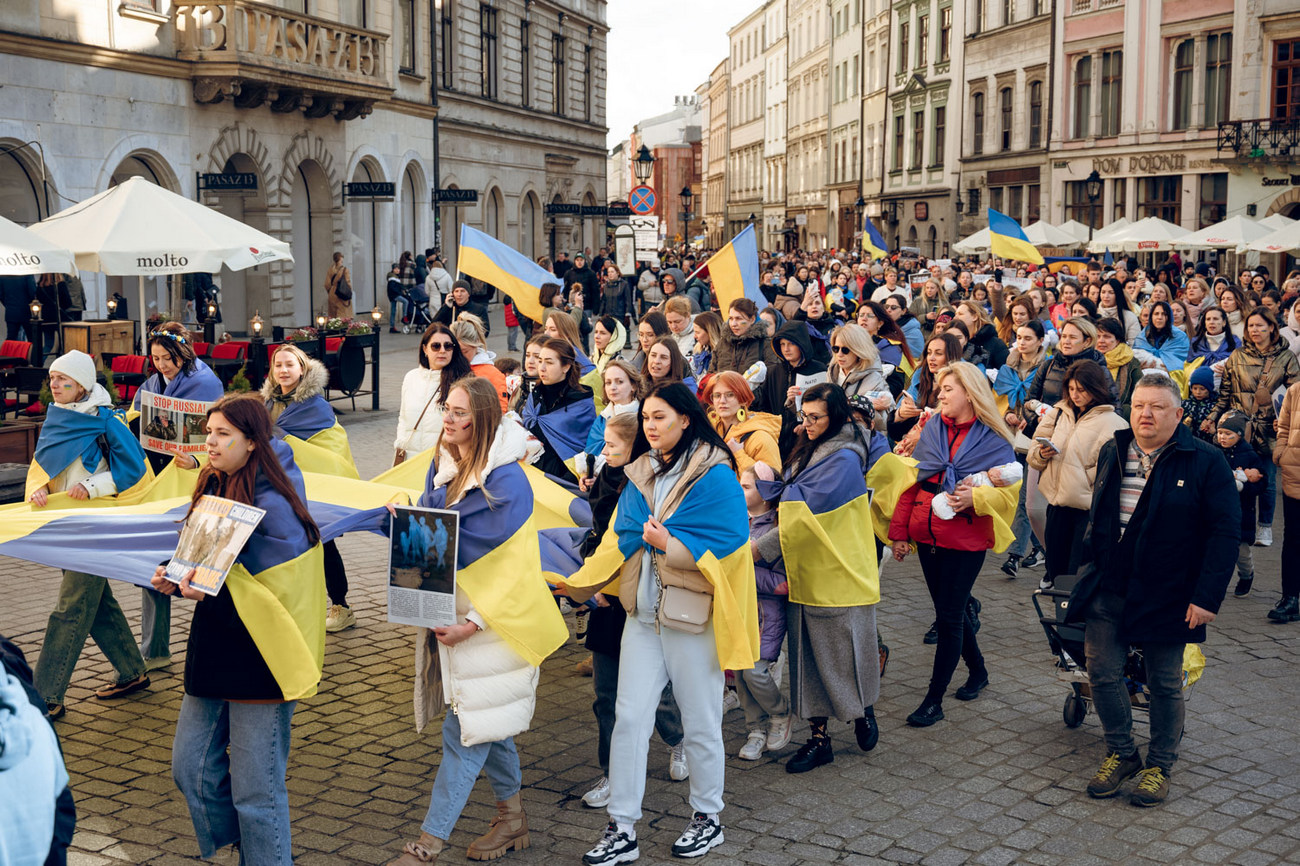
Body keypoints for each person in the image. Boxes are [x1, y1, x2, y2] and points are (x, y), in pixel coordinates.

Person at [561, 383, 757, 865]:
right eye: (646, 417)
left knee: (701, 721)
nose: (650, 426)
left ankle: (708, 818)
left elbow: (732, 543)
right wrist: (580, 584)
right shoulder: (641, 469)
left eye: (660, 417)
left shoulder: (715, 473)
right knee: (628, 720)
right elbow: (618, 538)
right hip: (642, 615)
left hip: (692, 617)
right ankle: (621, 827)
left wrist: (669, 543)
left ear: (685, 419)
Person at [387, 378, 567, 866]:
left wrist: (474, 622)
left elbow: (516, 570)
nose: (449, 417)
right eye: (448, 408)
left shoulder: (507, 481)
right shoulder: (441, 465)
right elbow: (436, 533)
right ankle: (512, 820)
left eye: (461, 412)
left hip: (493, 625)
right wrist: (403, 516)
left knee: (466, 730)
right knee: (490, 725)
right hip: (454, 617)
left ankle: (428, 844)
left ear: (483, 419)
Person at [149, 395, 323, 865]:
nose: (210, 441)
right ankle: (248, 847)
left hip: (263, 656)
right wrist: (174, 571)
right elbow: (205, 560)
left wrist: (208, 586)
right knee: (191, 768)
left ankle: (264, 856)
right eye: (209, 432)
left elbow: (273, 584)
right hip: (215, 646)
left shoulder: (279, 502)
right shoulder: (213, 481)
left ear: (252, 441)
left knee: (256, 790)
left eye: (223, 434)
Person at [1067, 375, 1238, 807]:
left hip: (1171, 592)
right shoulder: (1115, 449)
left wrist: (1206, 597)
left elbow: (1224, 533)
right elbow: (1099, 516)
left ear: (1178, 414)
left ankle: (1160, 765)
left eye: (1158, 407)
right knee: (1102, 674)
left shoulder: (1204, 460)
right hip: (1109, 584)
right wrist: (1087, 568)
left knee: (1163, 683)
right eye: (1140, 405)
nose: (1146, 414)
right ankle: (1123, 753)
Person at [755, 383, 881, 771]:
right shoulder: (813, 444)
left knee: (846, 651)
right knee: (806, 659)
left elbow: (807, 519)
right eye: (803, 416)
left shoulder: (842, 458)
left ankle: (863, 710)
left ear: (837, 417)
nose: (806, 424)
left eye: (815, 418)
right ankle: (819, 738)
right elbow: (794, 495)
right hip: (806, 570)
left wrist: (756, 551)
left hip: (838, 571)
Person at [889, 362, 1019, 727]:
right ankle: (978, 672)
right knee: (953, 611)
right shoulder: (930, 429)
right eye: (940, 389)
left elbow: (1009, 494)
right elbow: (911, 481)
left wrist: (975, 500)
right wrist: (899, 533)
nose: (940, 394)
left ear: (970, 392)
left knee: (948, 617)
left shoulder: (994, 438)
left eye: (948, 389)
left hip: (965, 538)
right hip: (927, 531)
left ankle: (934, 699)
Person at [29, 351, 152, 720]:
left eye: (63, 379)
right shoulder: (57, 418)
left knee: (71, 608)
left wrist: (93, 485)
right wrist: (41, 489)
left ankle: (45, 696)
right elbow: (46, 468)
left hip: (96, 525)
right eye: (52, 378)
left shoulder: (106, 419)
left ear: (81, 384)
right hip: (65, 523)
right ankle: (132, 671)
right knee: (96, 602)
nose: (54, 385)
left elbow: (134, 471)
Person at [576, 410, 689, 810]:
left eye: (612, 445)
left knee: (655, 694)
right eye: (603, 443)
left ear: (635, 448)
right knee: (606, 694)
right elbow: (596, 536)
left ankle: (678, 741)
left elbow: (651, 544)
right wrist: (594, 583)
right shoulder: (605, 478)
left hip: (642, 595)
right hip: (607, 601)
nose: (602, 451)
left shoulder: (655, 485)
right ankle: (613, 773)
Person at [132, 322, 226, 671]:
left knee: (206, 561)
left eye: (167, 358)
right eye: (155, 359)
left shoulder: (206, 383)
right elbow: (136, 416)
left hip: (196, 481)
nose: (161, 366)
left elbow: (220, 434)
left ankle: (219, 642)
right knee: (155, 560)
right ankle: (155, 649)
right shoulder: (153, 382)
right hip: (160, 478)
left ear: (183, 353)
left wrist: (198, 458)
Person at [262, 343, 359, 633]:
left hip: (309, 486)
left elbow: (330, 448)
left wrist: (278, 438)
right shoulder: (268, 402)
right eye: (278, 365)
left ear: (302, 369)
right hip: (278, 486)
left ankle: (341, 605)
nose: (283, 370)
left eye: (289, 365)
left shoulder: (315, 406)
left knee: (324, 543)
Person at [1027, 361, 1129, 591]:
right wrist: (1043, 454)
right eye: (1071, 389)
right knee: (1057, 570)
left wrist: (1086, 476)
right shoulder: (1058, 413)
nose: (1075, 395)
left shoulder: (1115, 423)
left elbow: (1113, 470)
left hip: (1086, 512)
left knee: (1077, 574)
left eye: (1081, 390)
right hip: (1056, 506)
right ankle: (1062, 617)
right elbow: (1033, 456)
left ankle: (1074, 622)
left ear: (1096, 388)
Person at [1205, 308, 1300, 547]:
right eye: (1251, 326)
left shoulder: (1286, 357)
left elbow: (1294, 395)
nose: (1255, 330)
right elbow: (1225, 395)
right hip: (1240, 430)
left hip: (1270, 428)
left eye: (1260, 326)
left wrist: (1286, 418)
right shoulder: (1236, 356)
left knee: (1266, 479)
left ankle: (1265, 526)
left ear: (1271, 328)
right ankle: (1236, 523)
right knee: (1236, 477)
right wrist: (1214, 418)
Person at [733, 462, 793, 762]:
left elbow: (784, 583)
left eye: (746, 486)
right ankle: (755, 729)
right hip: (738, 610)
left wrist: (741, 570)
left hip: (766, 614)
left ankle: (780, 713)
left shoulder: (776, 529)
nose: (738, 490)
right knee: (740, 674)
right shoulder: (736, 520)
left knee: (755, 671)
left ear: (766, 493)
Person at [395, 324, 474, 466]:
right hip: (409, 462)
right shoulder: (411, 377)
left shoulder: (462, 381)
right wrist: (400, 442)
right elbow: (403, 418)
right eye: (436, 346)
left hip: (442, 464)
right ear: (425, 349)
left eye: (448, 346)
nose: (442, 351)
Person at [520, 338, 597, 479]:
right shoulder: (535, 395)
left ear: (566, 367)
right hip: (531, 474)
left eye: (549, 362)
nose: (541, 368)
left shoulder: (581, 401)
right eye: (540, 360)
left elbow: (587, 446)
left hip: (566, 478)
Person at [753, 320, 830, 454]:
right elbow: (764, 405)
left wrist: (805, 424)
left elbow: (825, 406)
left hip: (806, 437)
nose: (786, 349)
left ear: (802, 344)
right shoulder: (773, 372)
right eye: (782, 344)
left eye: (791, 344)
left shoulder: (819, 370)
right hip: (777, 437)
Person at [1212, 412, 1266, 599]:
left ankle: (1246, 574)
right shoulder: (1214, 452)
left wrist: (1244, 487)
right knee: (1215, 550)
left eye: (1228, 434)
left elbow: (1262, 482)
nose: (1223, 438)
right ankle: (1212, 583)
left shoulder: (1250, 455)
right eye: (1220, 433)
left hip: (1242, 512)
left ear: (1240, 435)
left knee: (1241, 552)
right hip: (1218, 511)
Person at [706, 371, 782, 475]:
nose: (722, 401)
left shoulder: (761, 438)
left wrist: (738, 454)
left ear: (744, 399)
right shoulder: (710, 431)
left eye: (730, 395)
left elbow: (771, 484)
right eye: (717, 395)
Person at [582, 359, 643, 482]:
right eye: (608, 383)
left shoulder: (642, 418)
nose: (613, 387)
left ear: (633, 386)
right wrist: (585, 476)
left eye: (619, 382)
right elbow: (590, 454)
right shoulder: (601, 419)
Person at [827, 324, 893, 431]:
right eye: (835, 348)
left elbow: (884, 423)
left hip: (859, 439)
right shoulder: (832, 371)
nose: (839, 354)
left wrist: (867, 407)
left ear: (858, 350)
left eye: (845, 350)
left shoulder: (874, 379)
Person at [1272, 379, 1300, 622]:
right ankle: (1290, 598)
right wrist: (1281, 451)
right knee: (1293, 538)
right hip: (1295, 473)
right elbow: (1283, 427)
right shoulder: (1295, 390)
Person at [451, 315, 510, 412]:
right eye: (455, 352)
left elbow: (500, 412)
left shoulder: (492, 374)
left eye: (465, 351)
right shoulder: (445, 366)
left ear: (476, 344)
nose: (460, 356)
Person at [712, 298, 780, 375]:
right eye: (731, 318)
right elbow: (711, 374)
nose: (733, 324)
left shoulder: (765, 345)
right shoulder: (722, 344)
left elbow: (772, 377)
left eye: (739, 319)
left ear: (752, 319)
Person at [1133, 301, 1190, 372]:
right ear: (1151, 317)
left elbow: (1182, 363)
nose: (1159, 317)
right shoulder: (1142, 337)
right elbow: (1135, 361)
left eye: (1164, 314)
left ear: (1169, 317)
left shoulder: (1179, 337)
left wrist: (1161, 365)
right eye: (1156, 314)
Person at [954, 302, 1009, 369]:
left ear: (975, 317)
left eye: (960, 314)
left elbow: (1005, 373)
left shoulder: (996, 344)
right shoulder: (958, 342)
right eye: (955, 314)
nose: (955, 318)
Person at [0, 273, 36, 340]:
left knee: (11, 338)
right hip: (27, 310)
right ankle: (30, 350)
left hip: (11, 311)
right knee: (32, 338)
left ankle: (10, 350)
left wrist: (8, 304)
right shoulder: (27, 274)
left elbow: (1, 295)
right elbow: (32, 292)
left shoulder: (3, 275)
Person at [690, 311, 723, 380]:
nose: (694, 336)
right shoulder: (699, 350)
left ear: (710, 332)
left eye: (698, 332)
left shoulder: (723, 353)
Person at [325, 252, 354, 320]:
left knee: (333, 316)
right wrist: (349, 291)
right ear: (340, 260)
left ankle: (334, 327)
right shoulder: (344, 270)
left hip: (332, 293)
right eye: (342, 260)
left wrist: (330, 291)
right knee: (343, 315)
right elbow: (348, 282)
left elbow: (326, 284)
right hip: (342, 293)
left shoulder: (330, 270)